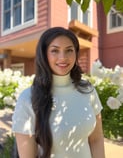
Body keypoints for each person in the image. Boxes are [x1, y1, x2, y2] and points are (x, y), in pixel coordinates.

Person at [12, 27, 105, 158]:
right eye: (55, 50)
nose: (63, 57)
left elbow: (96, 140)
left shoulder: (88, 90)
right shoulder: (27, 98)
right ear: (44, 54)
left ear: (76, 54)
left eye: (69, 50)